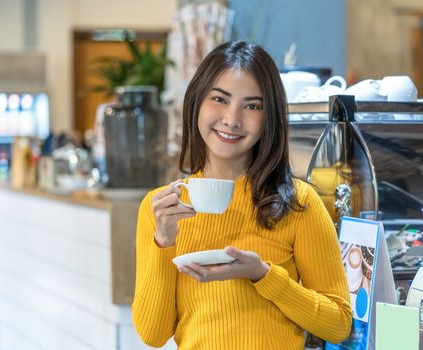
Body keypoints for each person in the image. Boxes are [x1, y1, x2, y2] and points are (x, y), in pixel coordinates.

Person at [132, 41, 351, 349]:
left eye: (252, 106)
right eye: (219, 99)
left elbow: (339, 324)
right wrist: (164, 242)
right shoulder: (161, 208)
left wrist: (263, 275)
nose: (232, 119)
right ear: (196, 101)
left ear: (269, 117)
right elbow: (153, 334)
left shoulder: (297, 202)